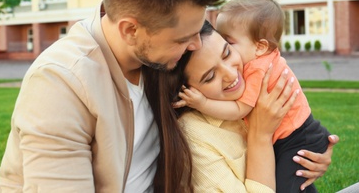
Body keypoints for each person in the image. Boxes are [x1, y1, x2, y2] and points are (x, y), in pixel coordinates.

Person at [0, 0, 228, 192]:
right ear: (130, 30)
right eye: (182, 39)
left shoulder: (156, 56)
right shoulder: (60, 83)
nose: (196, 45)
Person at [144, 20, 339, 192]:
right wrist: (260, 136)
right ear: (185, 91)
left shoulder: (254, 87)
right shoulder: (195, 136)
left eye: (227, 52)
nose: (231, 74)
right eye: (210, 77)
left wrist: (311, 158)